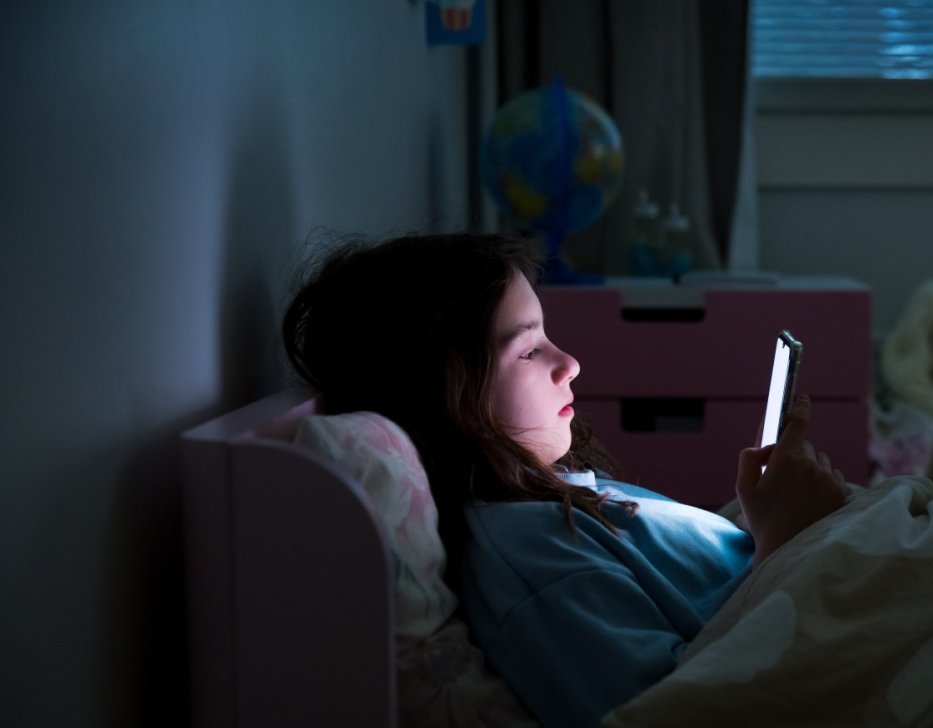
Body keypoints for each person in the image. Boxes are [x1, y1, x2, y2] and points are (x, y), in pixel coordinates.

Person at [281, 232, 848, 726]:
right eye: (528, 350)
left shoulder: (556, 495)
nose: (569, 362)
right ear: (445, 397)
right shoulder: (533, 555)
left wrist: (762, 519)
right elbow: (677, 708)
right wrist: (787, 545)